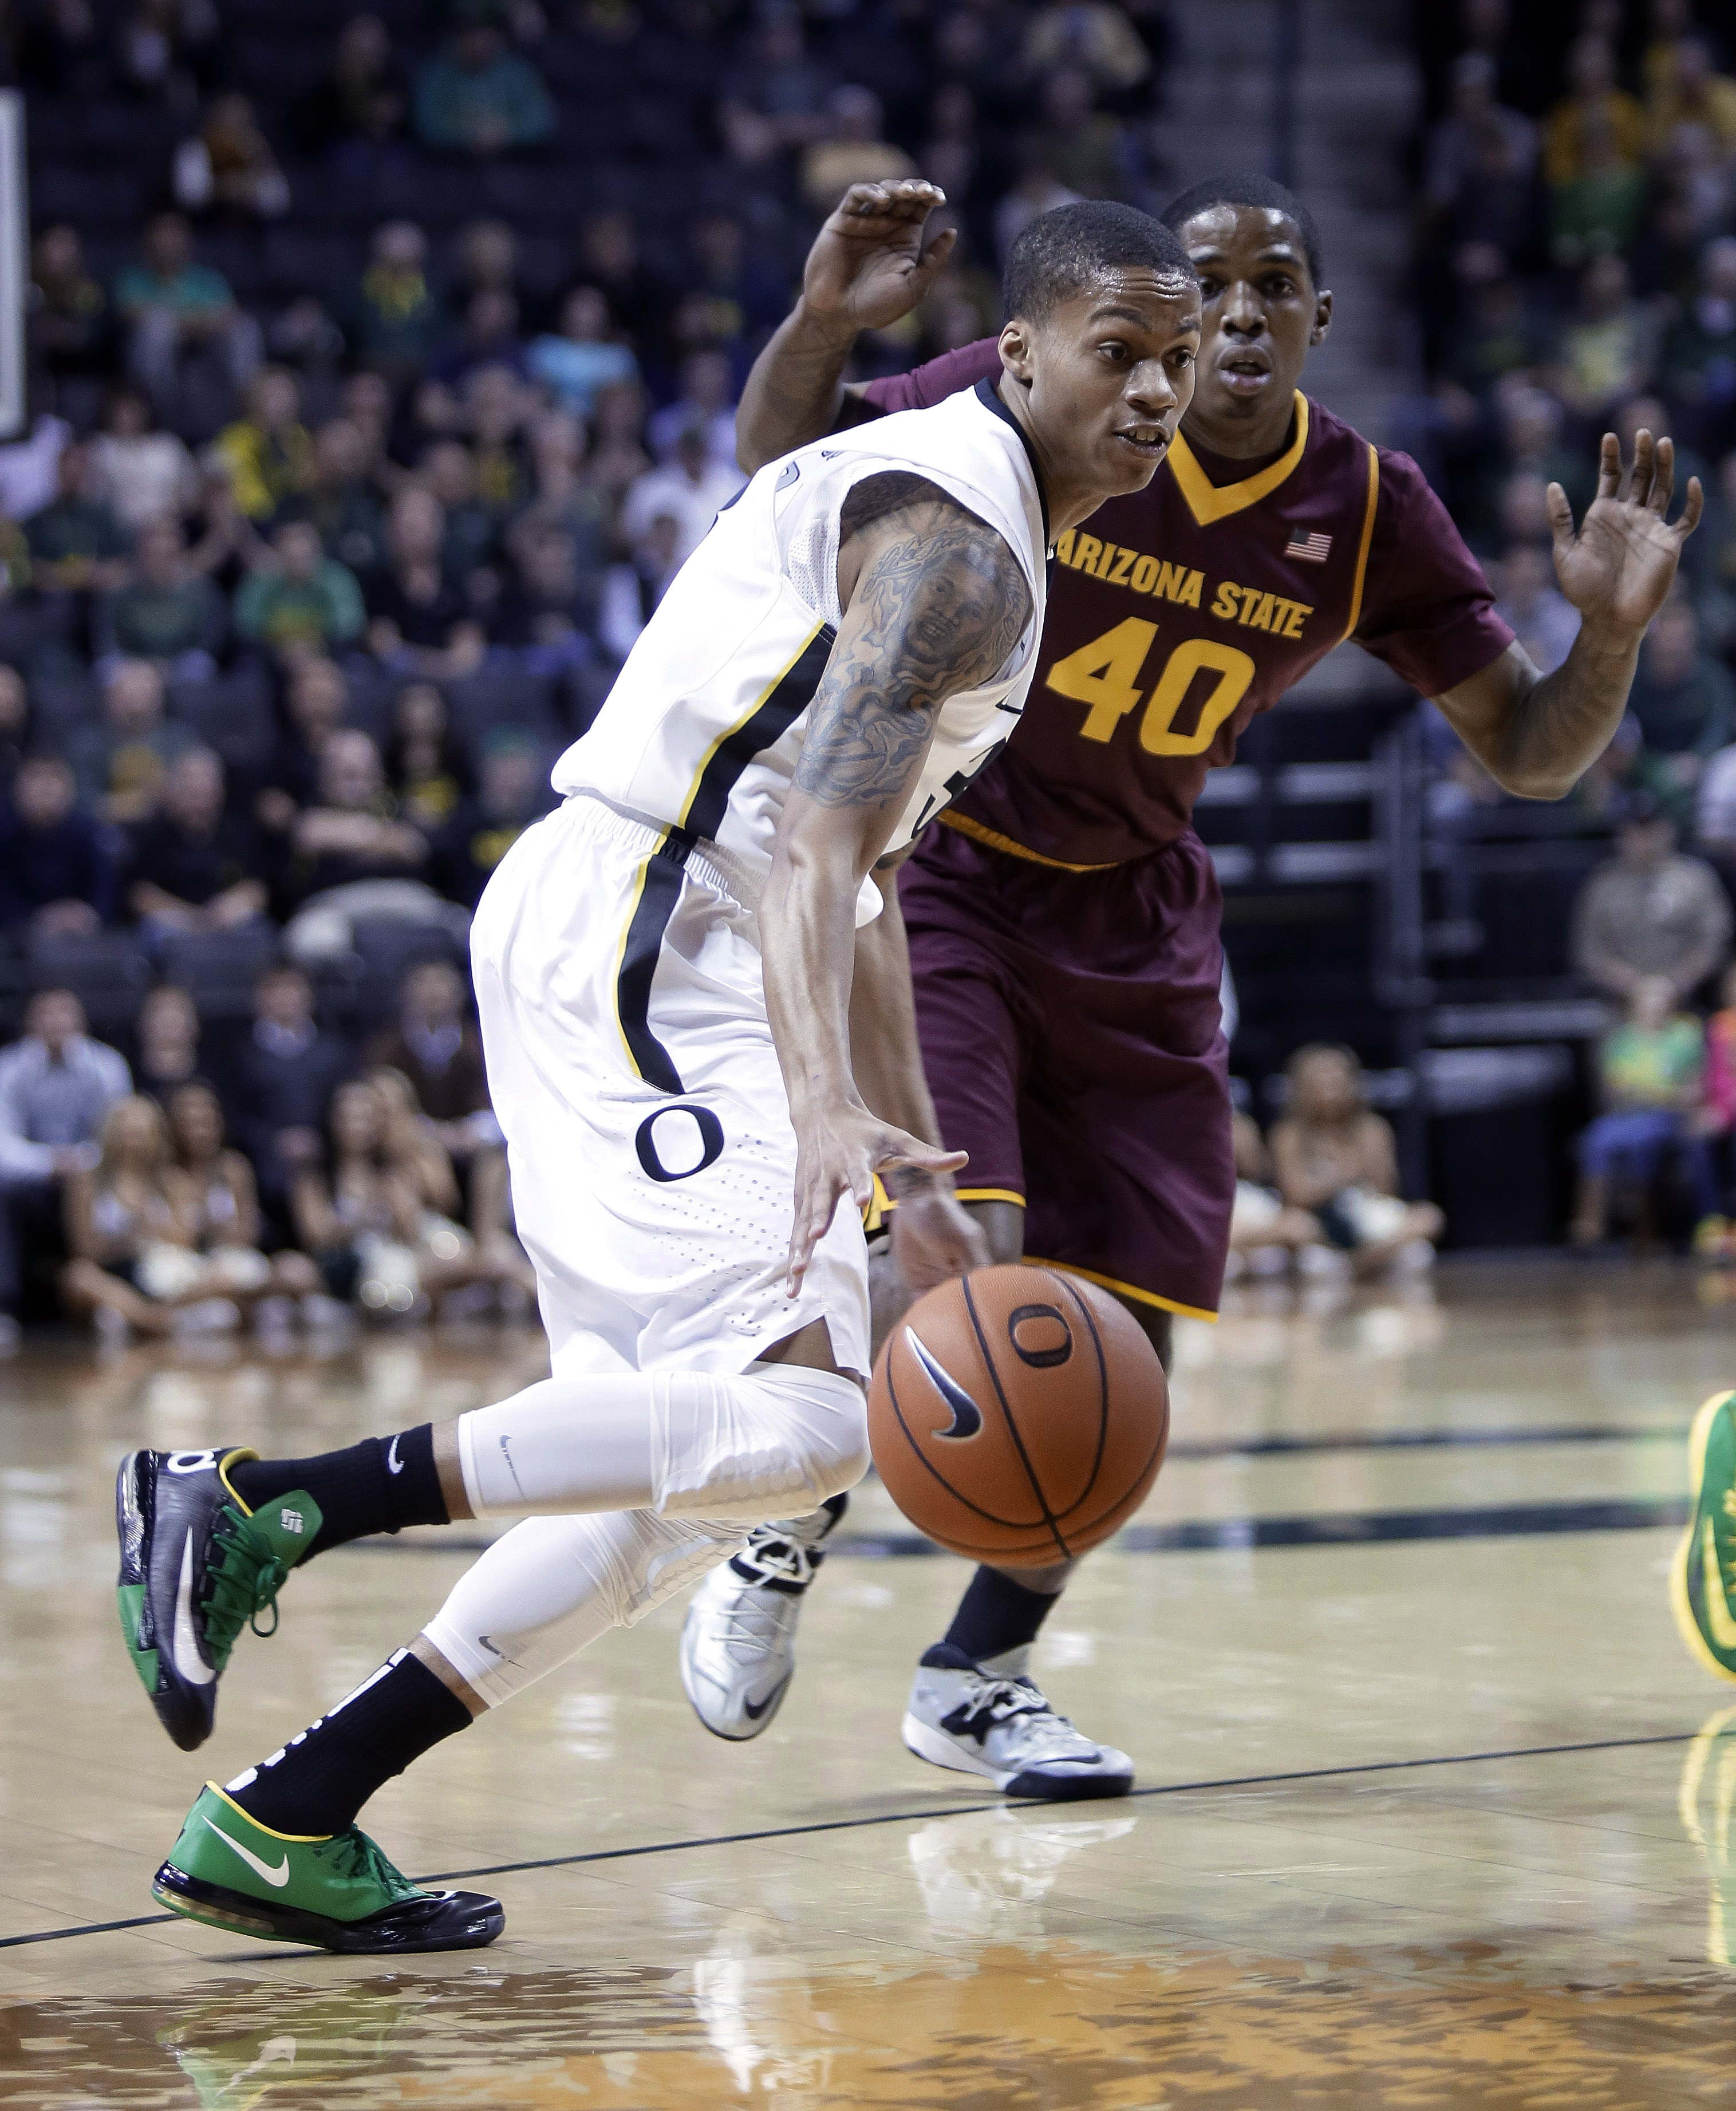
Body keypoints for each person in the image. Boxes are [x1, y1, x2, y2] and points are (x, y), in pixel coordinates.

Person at [117, 198, 1204, 1951]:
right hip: (657, 926)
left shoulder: (954, 502)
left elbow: (858, 869)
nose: (1155, 389)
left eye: (1171, 360)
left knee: (669, 1487)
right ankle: (253, 1497)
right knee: (804, 1424)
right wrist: (827, 1110)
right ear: (1018, 355)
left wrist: (904, 1161)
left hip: (631, 921)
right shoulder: (963, 553)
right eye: (1117, 352)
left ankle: (288, 1814)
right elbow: (802, 857)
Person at [681, 173, 1703, 1789]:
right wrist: (819, 324)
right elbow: (781, 467)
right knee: (966, 1268)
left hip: (1141, 916)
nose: (1232, 318)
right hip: (949, 873)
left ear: (1314, 319)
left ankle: (979, 1669)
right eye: (1205, 288)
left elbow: (1524, 748)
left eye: (1269, 287)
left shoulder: (1368, 505)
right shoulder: (1057, 392)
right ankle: (787, 1533)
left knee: (1131, 1346)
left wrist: (1614, 642)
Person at [0, 989, 130, 1347]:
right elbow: (4, 1146)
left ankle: (113, 1298)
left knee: (121, 1184)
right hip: (31, 1180)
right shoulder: (9, 1068)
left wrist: (80, 1162)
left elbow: (121, 1135)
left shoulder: (107, 1065)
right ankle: (5, 1306)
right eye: (46, 1014)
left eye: (64, 1013)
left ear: (81, 1021)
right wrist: (52, 1163)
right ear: (29, 1023)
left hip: (93, 1173)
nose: (56, 1022)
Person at [1570, 977, 1721, 1248]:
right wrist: (1655, 1091)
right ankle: (1590, 1224)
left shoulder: (1684, 1036)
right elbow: (1616, 1088)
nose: (1656, 1005)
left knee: (1644, 1141)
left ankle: (1646, 1227)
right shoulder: (1623, 1039)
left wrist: (1656, 1093)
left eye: (1662, 998)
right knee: (1596, 1138)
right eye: (1649, 998)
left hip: (1668, 1116)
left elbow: (1693, 1087)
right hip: (1627, 1115)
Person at [1268, 1046, 1445, 1277]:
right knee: (1292, 1226)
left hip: (1370, 1221)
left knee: (1429, 1216)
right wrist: (1340, 1177)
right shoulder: (1288, 1134)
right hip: (1319, 1225)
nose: (1329, 1091)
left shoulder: (1373, 1129)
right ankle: (1365, 1259)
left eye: (1336, 1081)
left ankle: (1362, 1260)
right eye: (1320, 1083)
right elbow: (1295, 1195)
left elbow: (1386, 1189)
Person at [1573, 799, 1731, 1006]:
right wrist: (1634, 986)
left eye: (1652, 831)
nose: (1644, 841)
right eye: (1635, 832)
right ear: (1621, 836)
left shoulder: (1696, 879)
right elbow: (1589, 950)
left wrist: (1675, 983)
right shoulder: (1603, 885)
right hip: (1620, 1005)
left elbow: (1714, 939)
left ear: (1669, 831)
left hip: (1690, 1001)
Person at [125, 747, 270, 937]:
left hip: (227, 920)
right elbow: (139, 895)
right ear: (172, 788)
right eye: (190, 784)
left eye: (206, 784)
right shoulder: (152, 835)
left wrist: (226, 908)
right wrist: (191, 916)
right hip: (172, 921)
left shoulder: (239, 832)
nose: (199, 790)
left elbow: (258, 890)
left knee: (260, 931)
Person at [0, 754, 116, 936]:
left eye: (55, 778)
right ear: (17, 789)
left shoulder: (88, 832)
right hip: (16, 942)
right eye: (37, 777)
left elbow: (105, 892)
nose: (46, 788)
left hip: (82, 937)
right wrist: (39, 917)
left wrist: (86, 914)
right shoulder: (6, 835)